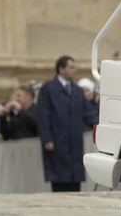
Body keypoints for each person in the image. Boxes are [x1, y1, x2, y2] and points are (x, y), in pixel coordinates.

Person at [37, 55, 100, 192]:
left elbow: (88, 113)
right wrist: (47, 138)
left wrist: (102, 123)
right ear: (61, 69)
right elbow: (43, 115)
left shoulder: (77, 90)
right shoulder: (49, 88)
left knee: (74, 178)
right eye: (71, 67)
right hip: (57, 139)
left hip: (74, 140)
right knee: (60, 178)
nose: (74, 70)